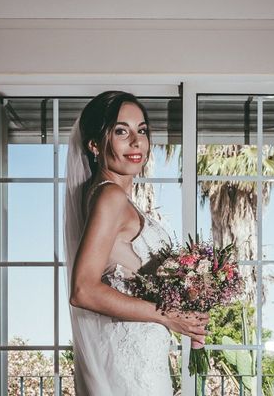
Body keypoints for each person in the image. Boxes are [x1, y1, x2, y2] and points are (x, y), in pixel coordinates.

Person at [64, 91, 209, 395]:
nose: (136, 142)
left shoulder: (107, 196)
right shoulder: (109, 197)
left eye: (141, 130)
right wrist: (169, 316)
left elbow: (130, 277)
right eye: (121, 131)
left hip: (140, 358)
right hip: (131, 370)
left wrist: (187, 301)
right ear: (94, 144)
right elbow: (83, 290)